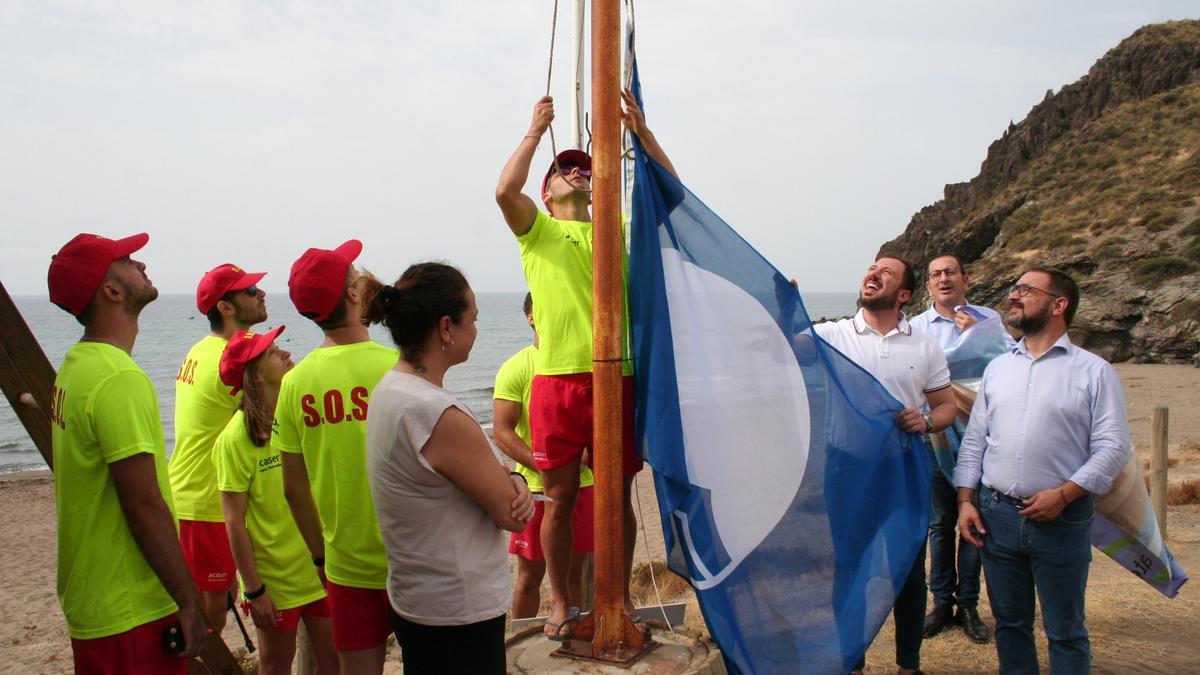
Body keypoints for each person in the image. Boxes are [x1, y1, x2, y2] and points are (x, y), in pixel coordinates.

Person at [494, 89, 675, 637]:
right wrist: (534, 130)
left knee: (616, 496)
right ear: (547, 193)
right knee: (560, 498)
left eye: (583, 170)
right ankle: (561, 602)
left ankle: (615, 598)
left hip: (615, 375)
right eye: (564, 171)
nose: (574, 173)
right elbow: (504, 190)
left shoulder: (616, 231)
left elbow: (671, 196)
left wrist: (643, 136)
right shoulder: (539, 231)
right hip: (557, 380)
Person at [955, 265, 1131, 675]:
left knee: (1065, 630)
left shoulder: (1094, 371)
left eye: (1024, 290)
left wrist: (1066, 493)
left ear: (1059, 304)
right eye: (1014, 289)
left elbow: (1113, 446)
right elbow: (975, 441)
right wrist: (966, 499)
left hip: (1062, 519)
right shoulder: (999, 368)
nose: (1013, 296)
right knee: (1011, 626)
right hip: (996, 516)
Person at [363, 263, 535, 674]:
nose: (475, 330)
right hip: (458, 609)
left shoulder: (390, 390)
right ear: (446, 327)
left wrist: (507, 479)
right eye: (471, 319)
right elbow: (510, 513)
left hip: (416, 598)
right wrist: (514, 479)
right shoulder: (436, 413)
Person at [47, 232, 207, 673]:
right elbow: (143, 505)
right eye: (126, 260)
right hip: (130, 607)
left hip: (94, 602)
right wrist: (188, 601)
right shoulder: (118, 378)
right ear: (111, 290)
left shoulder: (76, 367)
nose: (139, 263)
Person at [813, 255, 958, 675]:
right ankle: (851, 664)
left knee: (909, 572)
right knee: (849, 567)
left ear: (905, 294)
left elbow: (946, 406)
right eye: (871, 269)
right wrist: (783, 305)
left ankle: (909, 666)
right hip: (847, 468)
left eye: (886, 272)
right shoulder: (833, 334)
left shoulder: (923, 345)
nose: (873, 274)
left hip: (904, 468)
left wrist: (927, 420)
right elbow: (784, 345)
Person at [275, 240, 398, 674]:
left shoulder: (295, 382)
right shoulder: (397, 365)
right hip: (410, 556)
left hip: (344, 566)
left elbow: (294, 488)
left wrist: (321, 558)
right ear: (352, 294)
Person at [214, 326, 338, 675]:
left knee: (334, 661)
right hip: (276, 581)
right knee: (276, 665)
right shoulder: (234, 440)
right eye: (273, 352)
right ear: (254, 374)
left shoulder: (296, 415)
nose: (285, 354)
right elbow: (234, 522)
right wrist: (254, 590)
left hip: (320, 569)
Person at [908, 253, 1010, 644]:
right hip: (934, 437)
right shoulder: (916, 327)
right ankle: (940, 603)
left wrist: (985, 335)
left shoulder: (990, 320)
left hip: (980, 438)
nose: (944, 279)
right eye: (935, 274)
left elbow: (1012, 364)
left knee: (975, 522)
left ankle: (968, 604)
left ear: (966, 278)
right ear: (928, 286)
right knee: (939, 522)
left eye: (950, 272)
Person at [169, 262, 268, 631]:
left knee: (214, 599)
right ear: (225, 307)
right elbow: (266, 419)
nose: (260, 295)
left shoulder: (203, 349)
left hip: (189, 490)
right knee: (208, 614)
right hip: (206, 500)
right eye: (250, 291)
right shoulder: (228, 361)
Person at [493, 293, 596, 618]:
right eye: (543, 309)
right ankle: (521, 638)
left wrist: (588, 453)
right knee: (529, 578)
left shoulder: (586, 363)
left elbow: (599, 421)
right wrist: (547, 466)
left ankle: (574, 636)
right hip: (535, 492)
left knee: (574, 575)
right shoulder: (517, 366)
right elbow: (502, 431)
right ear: (531, 318)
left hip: (583, 486)